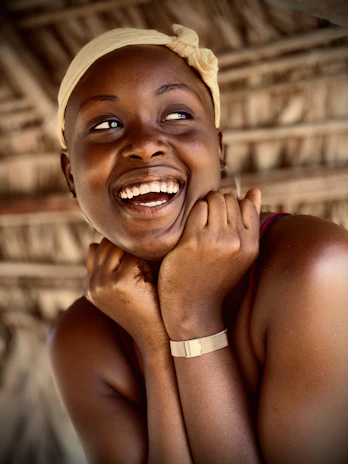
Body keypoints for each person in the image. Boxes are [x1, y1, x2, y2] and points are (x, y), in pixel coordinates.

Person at [48, 24, 348, 464]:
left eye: (176, 116)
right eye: (107, 124)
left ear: (220, 149)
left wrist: (193, 315)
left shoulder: (315, 267)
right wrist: (154, 343)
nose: (146, 144)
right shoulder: (82, 338)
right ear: (71, 174)